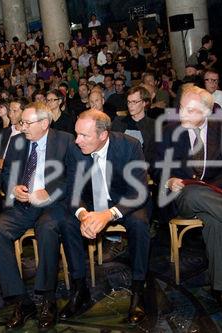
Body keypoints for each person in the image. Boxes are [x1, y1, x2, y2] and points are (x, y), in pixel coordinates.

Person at [154, 85, 222, 319]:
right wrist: (169, 180)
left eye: (189, 110)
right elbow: (155, 167)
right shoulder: (169, 131)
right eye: (181, 107)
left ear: (206, 112)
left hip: (215, 199)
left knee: (216, 222)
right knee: (192, 192)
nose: (182, 114)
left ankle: (220, 289)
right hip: (181, 198)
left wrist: (213, 190)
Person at [0, 102, 76, 330]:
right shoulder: (17, 142)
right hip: (24, 204)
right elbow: (6, 173)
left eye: (27, 123)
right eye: (21, 123)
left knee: (46, 229)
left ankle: (47, 298)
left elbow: (75, 177)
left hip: (52, 205)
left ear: (44, 123)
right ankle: (20, 300)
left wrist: (50, 192)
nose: (22, 127)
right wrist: (13, 188)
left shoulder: (65, 140)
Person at [61, 109, 150, 325]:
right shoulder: (75, 151)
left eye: (84, 136)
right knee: (65, 221)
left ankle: (139, 289)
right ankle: (79, 288)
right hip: (91, 204)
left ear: (103, 135)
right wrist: (84, 216)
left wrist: (108, 215)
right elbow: (72, 192)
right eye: (76, 134)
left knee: (140, 223)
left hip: (122, 202)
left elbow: (139, 192)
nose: (77, 141)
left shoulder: (129, 146)